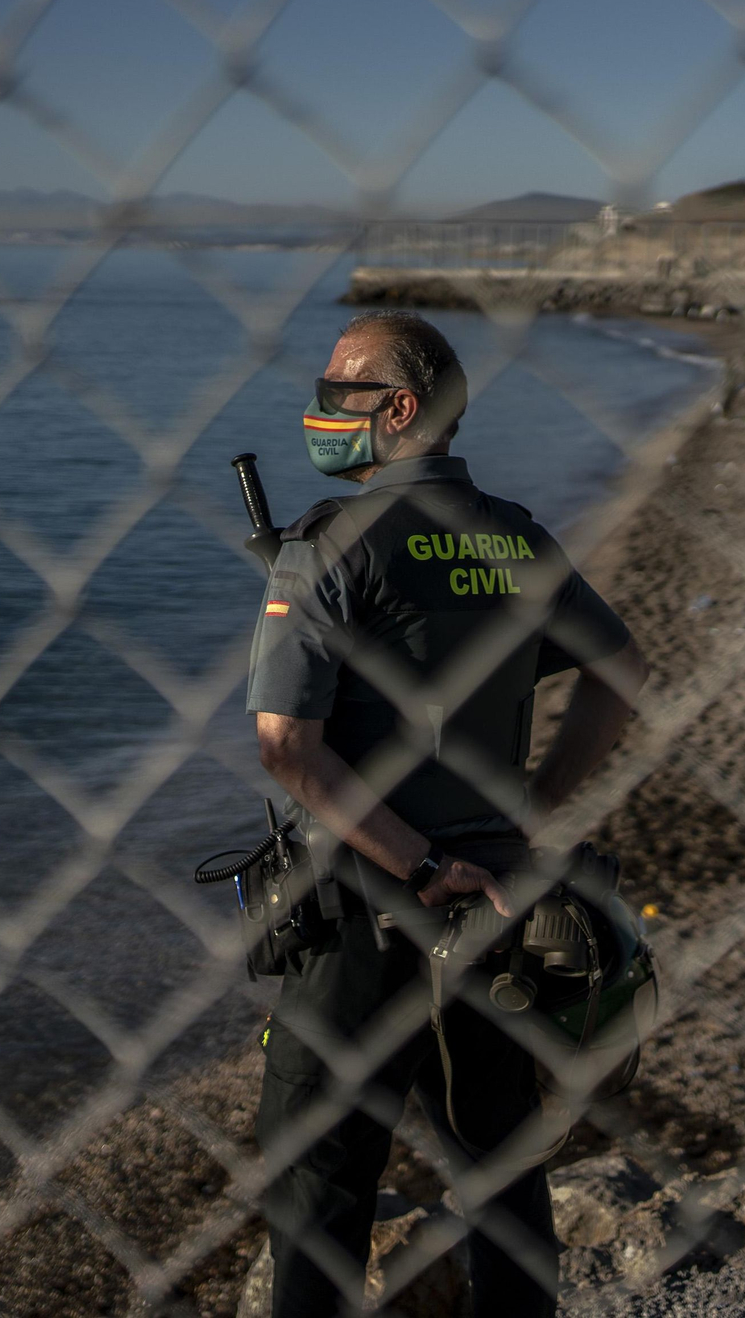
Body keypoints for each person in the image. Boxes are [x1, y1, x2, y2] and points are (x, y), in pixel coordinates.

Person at [248, 310, 646, 1318]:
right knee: (501, 1166)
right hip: (496, 907)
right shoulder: (512, 534)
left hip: (357, 907)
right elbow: (618, 674)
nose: (319, 405)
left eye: (340, 388)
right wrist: (526, 814)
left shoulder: (327, 545)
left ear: (400, 407)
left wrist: (414, 860)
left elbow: (286, 746)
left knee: (321, 1177)